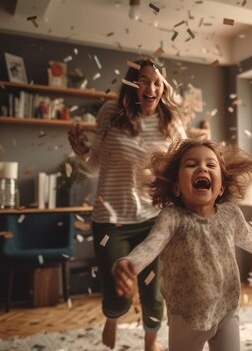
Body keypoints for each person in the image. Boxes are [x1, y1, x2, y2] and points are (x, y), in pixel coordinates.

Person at [112, 138, 252, 351]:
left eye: (210, 165)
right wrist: (130, 263)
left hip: (226, 309)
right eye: (191, 164)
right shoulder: (172, 218)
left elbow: (250, 238)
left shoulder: (230, 214)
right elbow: (152, 245)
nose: (202, 168)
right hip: (187, 315)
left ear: (221, 187)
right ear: (177, 187)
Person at [68, 58, 188, 351]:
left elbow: (184, 163)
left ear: (163, 87)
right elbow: (95, 164)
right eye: (144, 81)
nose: (151, 88)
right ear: (132, 84)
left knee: (152, 289)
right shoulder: (110, 113)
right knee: (119, 293)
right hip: (111, 219)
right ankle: (113, 316)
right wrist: (81, 151)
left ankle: (151, 342)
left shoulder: (171, 121)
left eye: (158, 82)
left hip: (154, 220)